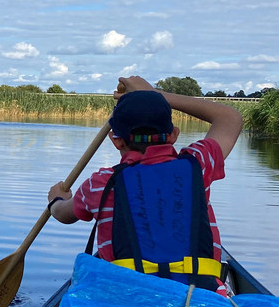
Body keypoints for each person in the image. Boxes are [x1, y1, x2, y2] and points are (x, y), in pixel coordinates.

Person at [47, 75, 243, 292]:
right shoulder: (199, 164)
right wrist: (155, 94)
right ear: (174, 135)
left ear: (116, 140)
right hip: (198, 300)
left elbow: (62, 214)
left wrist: (56, 199)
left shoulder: (100, 184)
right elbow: (230, 117)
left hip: (128, 302)